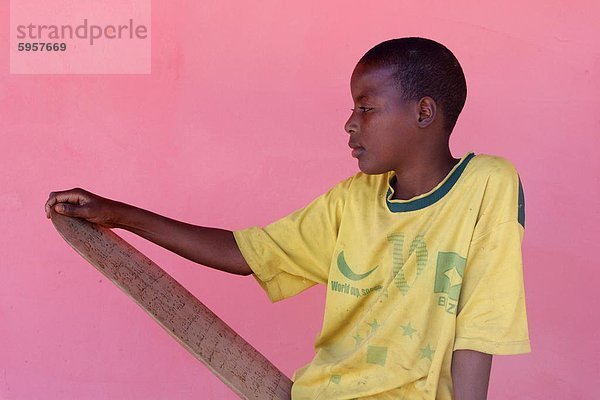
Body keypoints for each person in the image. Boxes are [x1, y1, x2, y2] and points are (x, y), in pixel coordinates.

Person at [45, 37, 530, 399]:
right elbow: (247, 253)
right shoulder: (352, 201)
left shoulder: (488, 184)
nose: (349, 122)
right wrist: (120, 214)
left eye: (366, 107)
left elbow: (479, 326)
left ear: (424, 111)